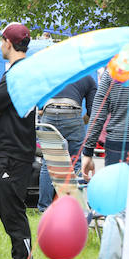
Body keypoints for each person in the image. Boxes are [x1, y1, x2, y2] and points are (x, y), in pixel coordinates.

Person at [0, 23, 37, 259]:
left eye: (1, 41)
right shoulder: (19, 72)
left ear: (7, 42)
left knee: (13, 210)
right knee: (6, 208)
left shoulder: (19, 73)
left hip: (14, 150)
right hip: (11, 148)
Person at [77, 68, 129, 259]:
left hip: (119, 142)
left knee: (117, 211)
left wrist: (88, 151)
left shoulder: (117, 67)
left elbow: (99, 111)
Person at [36, 76, 97, 212]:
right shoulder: (88, 78)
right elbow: (93, 111)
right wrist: (79, 121)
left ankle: (44, 207)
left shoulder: (53, 72)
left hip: (49, 113)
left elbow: (39, 107)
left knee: (48, 163)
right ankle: (74, 207)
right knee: (76, 163)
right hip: (73, 114)